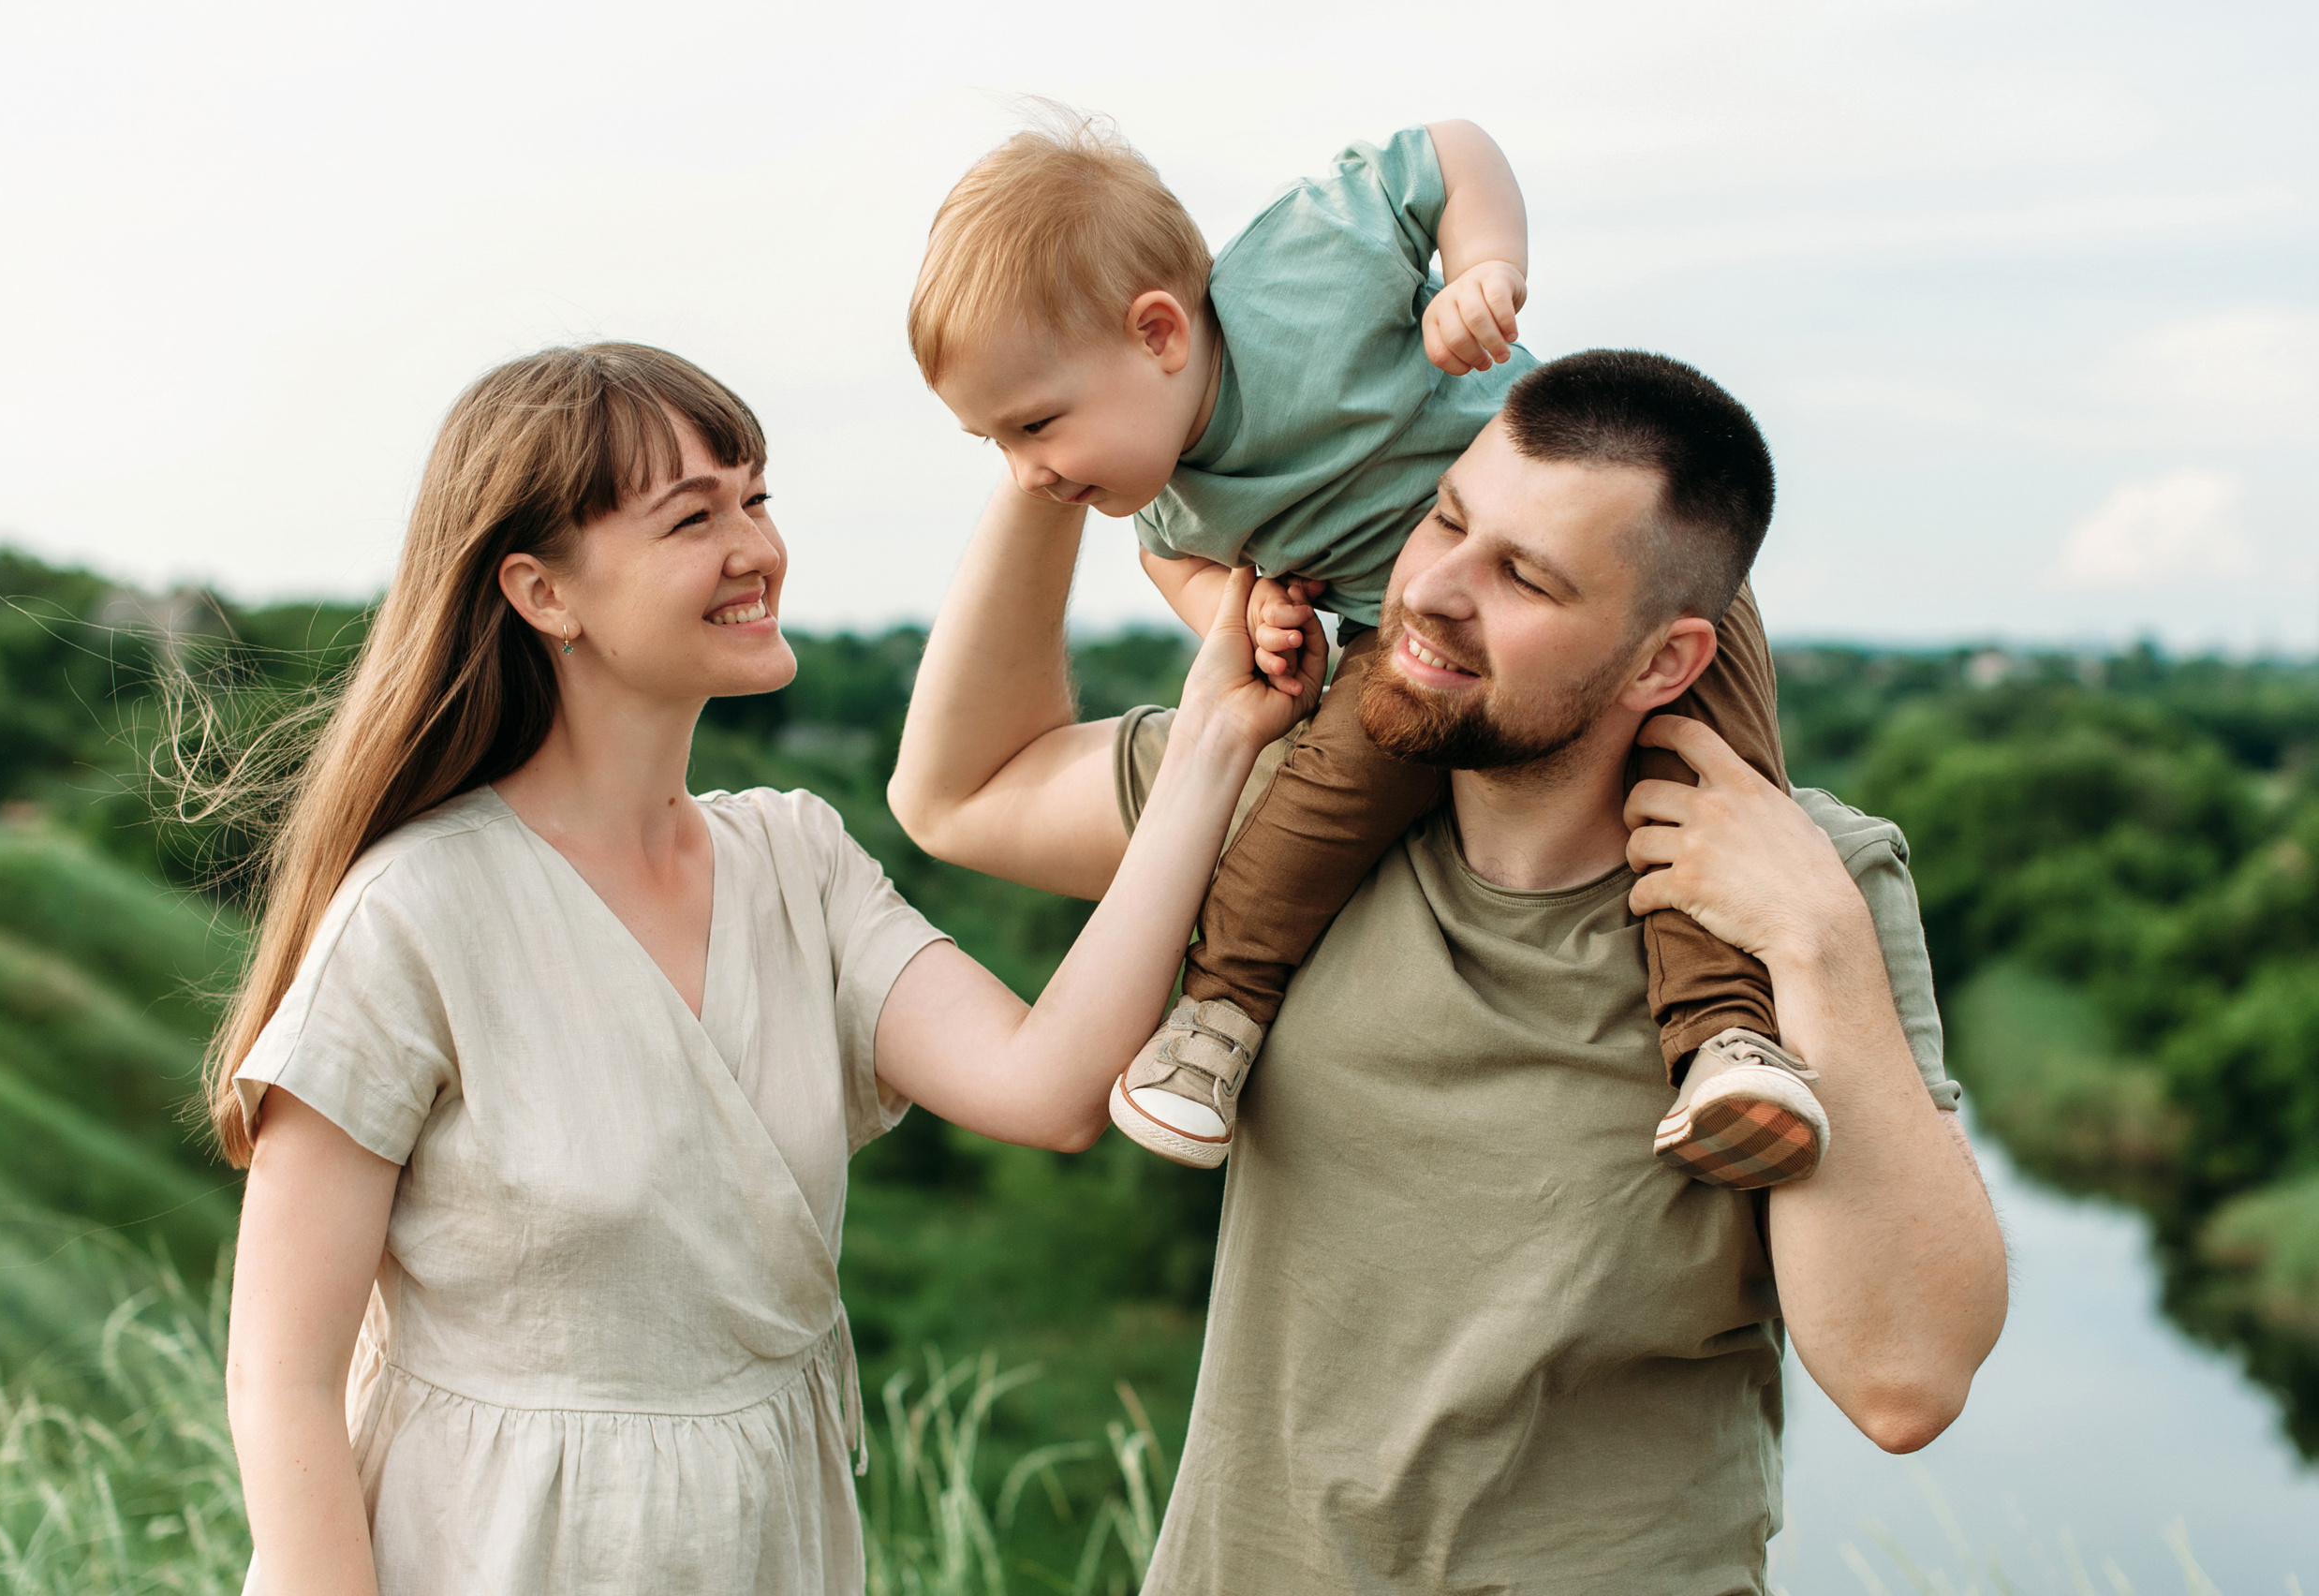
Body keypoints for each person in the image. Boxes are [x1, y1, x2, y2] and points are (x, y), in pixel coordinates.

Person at [889, 350, 2010, 1592]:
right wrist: (1044, 444)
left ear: (1664, 663)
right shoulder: (1292, 798)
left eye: (1524, 577)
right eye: (1447, 521)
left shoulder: (1805, 887)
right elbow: (960, 793)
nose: (1433, 592)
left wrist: (1819, 945)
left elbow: (1905, 1383)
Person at [213, 343, 1322, 1596]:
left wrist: (1216, 742)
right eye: (694, 517)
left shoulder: (797, 860)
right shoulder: (415, 910)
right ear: (542, 592)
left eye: (758, 499)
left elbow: (1050, 1086)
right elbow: (282, 1382)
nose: (757, 549)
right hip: (490, 1551)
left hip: (762, 1549)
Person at [908, 111, 1816, 1186]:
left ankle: (1723, 1041)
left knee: (1705, 801)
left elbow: (1450, 152)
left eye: (1034, 427)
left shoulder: (1302, 269)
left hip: (1624, 584)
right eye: (994, 443)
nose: (1023, 474)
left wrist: (1484, 268)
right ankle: (1215, 1021)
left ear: (1159, 333)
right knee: (1316, 799)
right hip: (1403, 662)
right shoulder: (1163, 498)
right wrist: (1230, 620)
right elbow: (1174, 566)